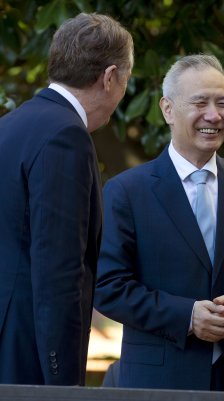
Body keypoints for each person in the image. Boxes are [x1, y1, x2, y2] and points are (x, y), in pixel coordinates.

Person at [94, 54, 224, 392]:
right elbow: (109, 286)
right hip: (160, 379)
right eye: (200, 103)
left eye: (223, 103)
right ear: (168, 110)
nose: (214, 115)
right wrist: (187, 316)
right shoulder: (127, 191)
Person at [0, 13, 133, 385]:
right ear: (109, 78)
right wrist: (63, 383)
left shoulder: (9, 126)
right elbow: (58, 271)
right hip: (29, 358)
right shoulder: (65, 135)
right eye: (125, 80)